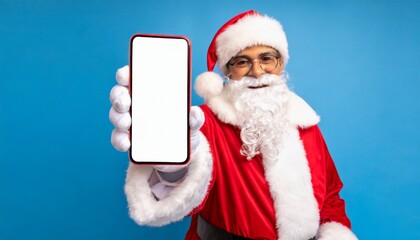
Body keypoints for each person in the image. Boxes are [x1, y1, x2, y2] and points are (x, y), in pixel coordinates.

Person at [109, 10, 358, 240]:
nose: (258, 72)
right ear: (227, 72)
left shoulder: (305, 122)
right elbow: (186, 194)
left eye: (266, 58)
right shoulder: (203, 122)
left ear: (281, 64)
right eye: (242, 62)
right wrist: (172, 169)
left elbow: (330, 196)